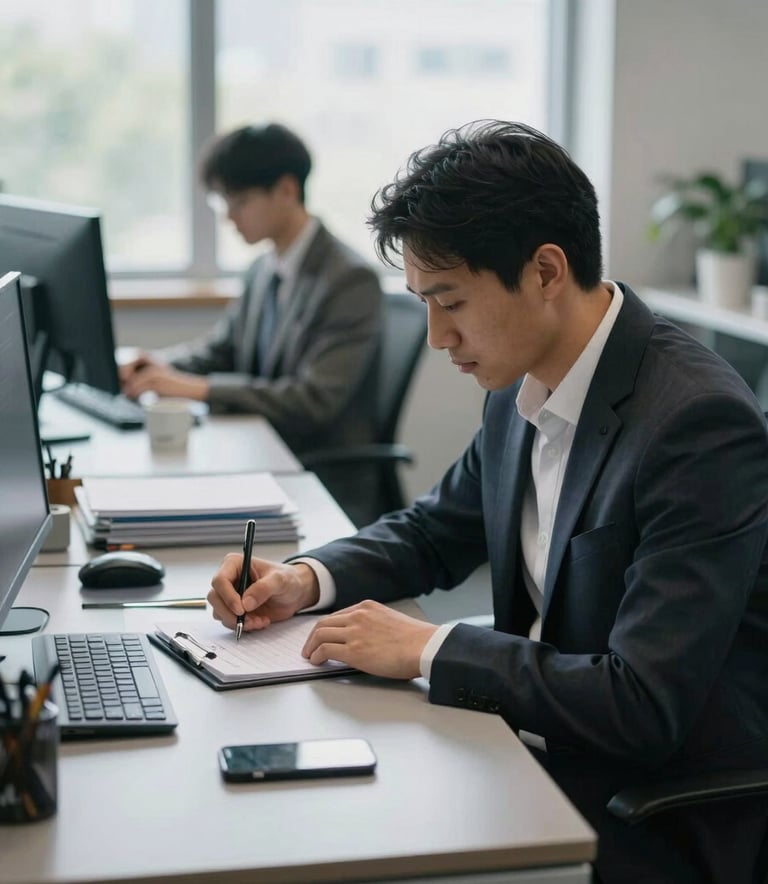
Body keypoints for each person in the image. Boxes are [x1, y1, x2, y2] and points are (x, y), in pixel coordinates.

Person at [207, 121, 768, 883]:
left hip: (646, 803)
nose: (438, 336)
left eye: (450, 302)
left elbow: (641, 703)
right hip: (528, 739)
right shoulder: (520, 386)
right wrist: (305, 579)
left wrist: (428, 647)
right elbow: (436, 529)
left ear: (544, 271)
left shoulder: (695, 424)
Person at [120, 123, 383, 459]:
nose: (229, 217)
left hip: (317, 467)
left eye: (240, 201)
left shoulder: (349, 280)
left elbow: (313, 401)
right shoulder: (262, 269)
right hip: (260, 448)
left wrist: (198, 389)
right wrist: (156, 367)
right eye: (224, 203)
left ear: (287, 190)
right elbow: (222, 351)